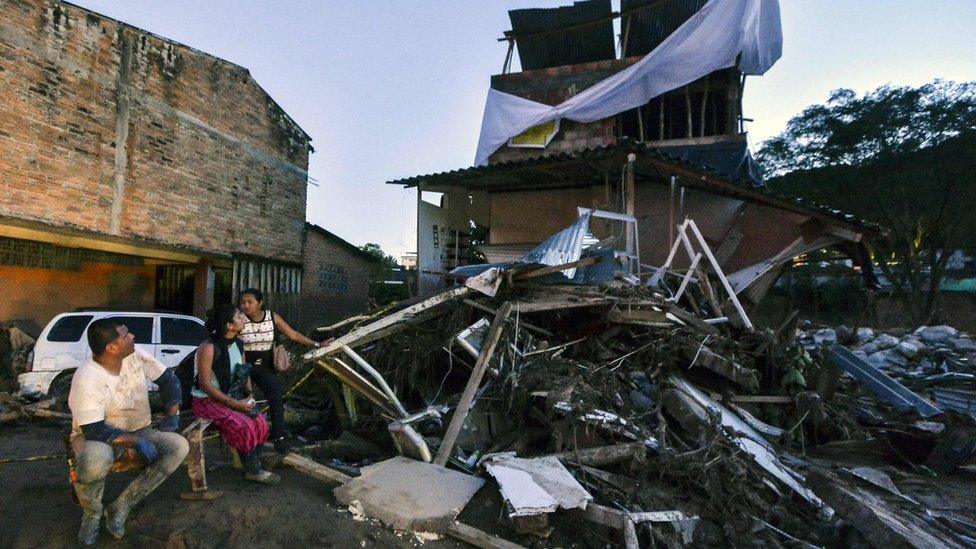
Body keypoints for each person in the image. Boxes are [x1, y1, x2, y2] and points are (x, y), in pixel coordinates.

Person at [67, 318, 188, 546]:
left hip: (139, 428)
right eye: (125, 335)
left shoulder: (133, 354)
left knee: (178, 446)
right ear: (111, 347)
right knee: (95, 459)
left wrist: (173, 411)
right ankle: (92, 514)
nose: (132, 336)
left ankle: (121, 506)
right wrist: (135, 442)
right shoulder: (88, 377)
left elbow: (168, 380)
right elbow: (94, 429)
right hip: (96, 436)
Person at [190, 303, 279, 485]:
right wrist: (235, 404)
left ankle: (250, 462)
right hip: (207, 401)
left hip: (231, 397)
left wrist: (249, 395)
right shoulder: (208, 348)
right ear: (230, 326)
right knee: (243, 424)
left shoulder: (238, 344)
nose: (243, 318)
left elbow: (243, 372)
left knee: (260, 421)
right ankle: (253, 470)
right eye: (239, 316)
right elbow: (205, 385)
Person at [238, 288, 329, 452]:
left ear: (260, 303)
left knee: (276, 398)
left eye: (250, 302)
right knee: (245, 401)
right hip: (243, 366)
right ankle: (245, 440)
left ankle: (279, 438)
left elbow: (293, 334)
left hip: (265, 367)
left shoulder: (272, 317)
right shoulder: (239, 320)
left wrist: (316, 344)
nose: (246, 305)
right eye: (243, 302)